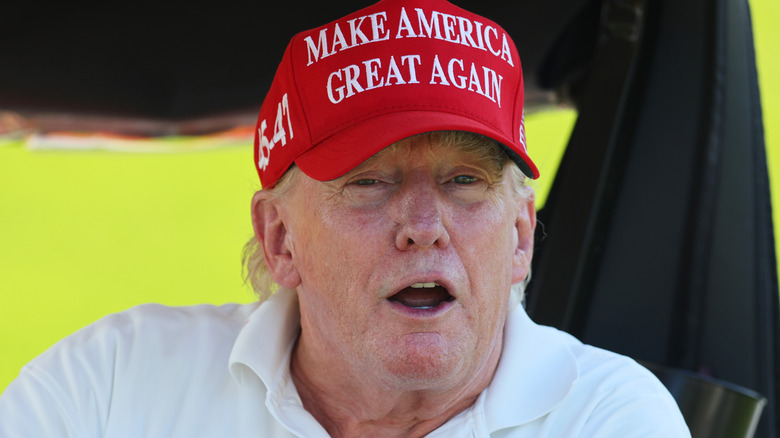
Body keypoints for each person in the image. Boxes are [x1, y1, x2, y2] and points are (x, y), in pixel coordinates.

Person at [0, 0, 691, 436]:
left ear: (519, 237)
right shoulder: (112, 383)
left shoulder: (608, 418)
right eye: (369, 182)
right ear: (279, 238)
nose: (425, 225)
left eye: (464, 181)